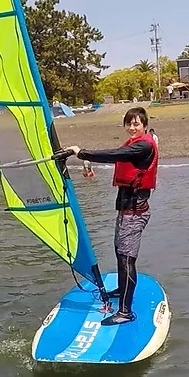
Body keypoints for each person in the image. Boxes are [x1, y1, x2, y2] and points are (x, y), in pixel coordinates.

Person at [64, 107, 158, 326]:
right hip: (126, 211)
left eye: (136, 124)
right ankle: (122, 290)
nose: (132, 127)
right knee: (119, 252)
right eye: (129, 124)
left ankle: (125, 312)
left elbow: (114, 155)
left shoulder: (144, 146)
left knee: (126, 258)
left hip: (135, 213)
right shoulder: (134, 144)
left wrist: (82, 153)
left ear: (144, 125)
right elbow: (118, 155)